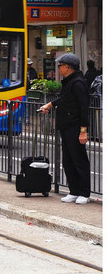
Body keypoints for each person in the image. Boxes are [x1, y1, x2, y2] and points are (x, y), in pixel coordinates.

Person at [39, 52, 91, 204]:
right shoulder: (69, 82)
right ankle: (74, 191)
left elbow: (84, 109)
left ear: (68, 67)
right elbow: (64, 99)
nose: (58, 69)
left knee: (79, 160)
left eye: (60, 66)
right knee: (68, 160)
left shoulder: (78, 83)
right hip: (66, 127)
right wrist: (50, 104)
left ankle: (84, 193)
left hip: (75, 128)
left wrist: (83, 131)